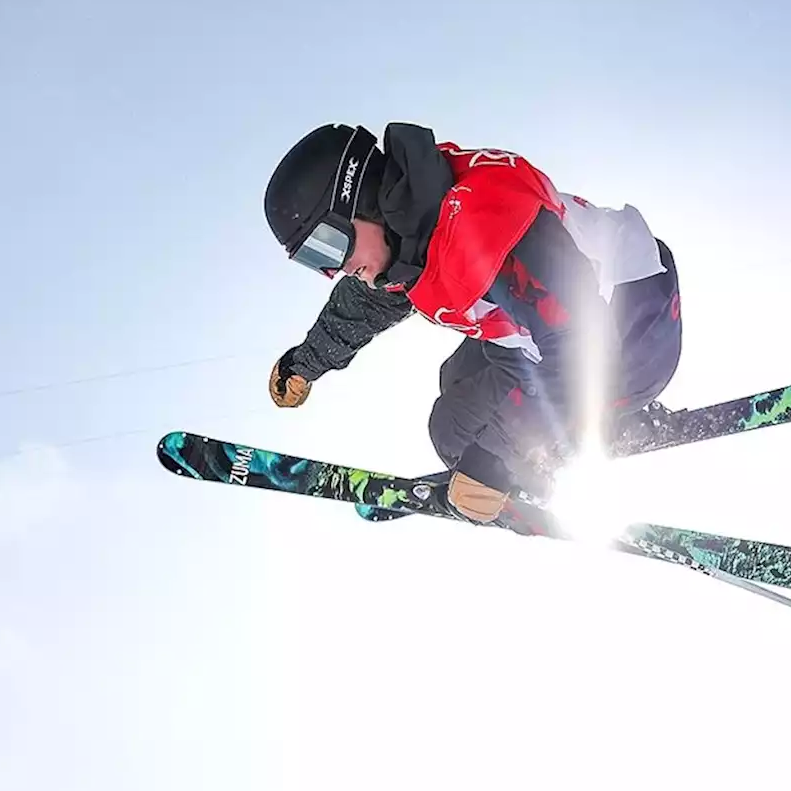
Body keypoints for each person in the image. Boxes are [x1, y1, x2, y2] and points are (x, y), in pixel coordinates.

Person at [262, 122, 682, 526]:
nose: (338, 267)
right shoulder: (411, 229)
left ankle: (599, 432)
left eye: (330, 243)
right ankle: (550, 451)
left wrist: (498, 460)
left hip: (630, 330)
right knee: (456, 402)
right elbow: (363, 306)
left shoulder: (483, 227)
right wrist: (306, 363)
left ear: (361, 200)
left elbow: (583, 347)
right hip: (549, 337)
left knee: (468, 437)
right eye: (315, 258)